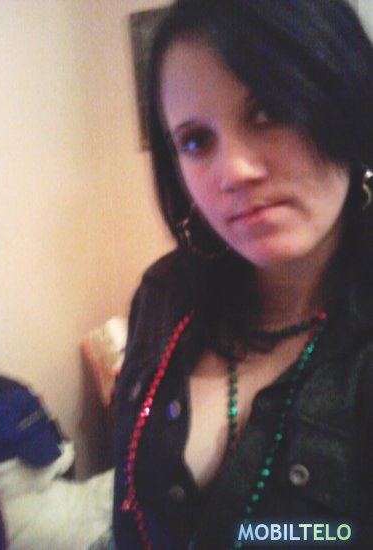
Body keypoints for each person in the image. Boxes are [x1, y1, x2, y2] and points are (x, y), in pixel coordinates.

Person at [112, 1, 373, 548]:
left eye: (269, 111)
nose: (234, 171)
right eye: (195, 141)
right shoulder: (161, 294)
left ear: (347, 101)